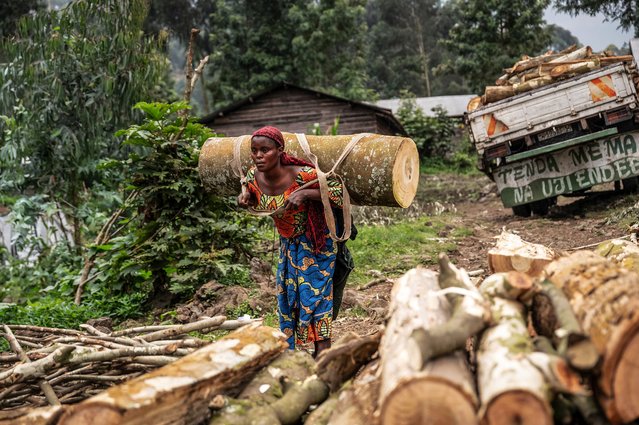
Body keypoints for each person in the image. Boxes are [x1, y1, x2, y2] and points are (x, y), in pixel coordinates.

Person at [237, 126, 353, 357]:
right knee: (289, 297)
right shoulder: (252, 177)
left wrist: (306, 194)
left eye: (265, 150)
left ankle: (322, 350)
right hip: (288, 245)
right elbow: (250, 192)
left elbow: (340, 194)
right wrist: (244, 197)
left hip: (317, 243)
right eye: (254, 151)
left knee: (316, 296)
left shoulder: (304, 175)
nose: (259, 156)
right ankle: (290, 352)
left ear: (280, 150)